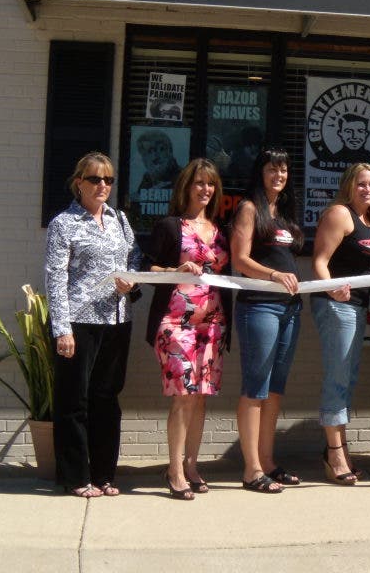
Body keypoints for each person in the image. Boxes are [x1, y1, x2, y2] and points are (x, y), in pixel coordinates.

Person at [45, 152, 142, 498]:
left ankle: (104, 474)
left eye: (109, 180)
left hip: (117, 320)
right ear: (79, 183)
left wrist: (131, 281)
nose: (103, 185)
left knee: (107, 398)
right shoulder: (63, 224)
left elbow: (134, 256)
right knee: (74, 401)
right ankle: (74, 476)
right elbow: (55, 279)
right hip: (78, 321)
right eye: (95, 179)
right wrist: (62, 329)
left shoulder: (119, 220)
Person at [144, 158, 231, 500]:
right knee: (183, 396)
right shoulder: (170, 226)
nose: (205, 189)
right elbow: (145, 267)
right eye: (199, 183)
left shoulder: (221, 230)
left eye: (210, 184)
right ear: (186, 186)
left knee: (199, 397)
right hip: (174, 321)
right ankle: (175, 469)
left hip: (213, 324)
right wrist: (175, 268)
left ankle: (192, 464)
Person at [230, 147, 303, 494]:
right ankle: (251, 469)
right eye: (273, 169)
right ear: (260, 172)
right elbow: (240, 260)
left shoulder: (285, 213)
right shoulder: (249, 208)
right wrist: (274, 274)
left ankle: (268, 461)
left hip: (290, 309)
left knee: (274, 391)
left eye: (284, 170)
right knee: (255, 388)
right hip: (259, 307)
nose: (279, 176)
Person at [311, 162, 370, 485]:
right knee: (338, 379)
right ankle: (334, 453)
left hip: (358, 307)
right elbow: (319, 261)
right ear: (348, 185)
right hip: (336, 307)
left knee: (348, 378)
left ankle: (338, 447)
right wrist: (332, 289)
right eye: (361, 184)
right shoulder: (340, 214)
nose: (367, 190)